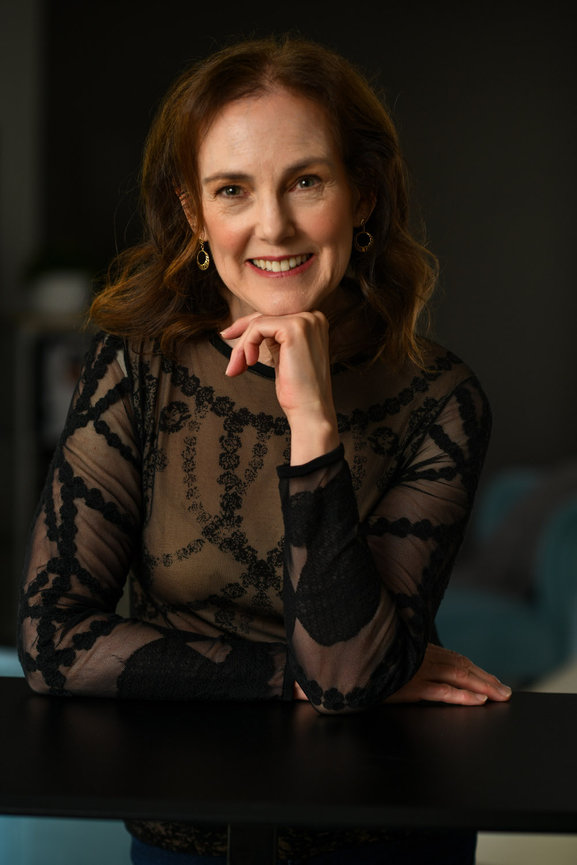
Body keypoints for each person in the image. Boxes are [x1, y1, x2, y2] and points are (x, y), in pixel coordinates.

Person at [18, 34, 512, 865]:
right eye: (232, 189)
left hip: (387, 834)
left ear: (362, 195)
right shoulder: (134, 369)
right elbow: (53, 640)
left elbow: (349, 678)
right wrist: (289, 674)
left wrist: (311, 420)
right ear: (194, 214)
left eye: (306, 181)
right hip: (188, 835)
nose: (273, 225)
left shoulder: (441, 399)